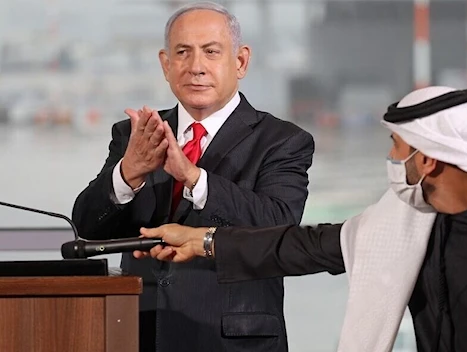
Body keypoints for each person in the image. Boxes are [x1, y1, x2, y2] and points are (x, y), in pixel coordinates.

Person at [136, 86, 467, 352]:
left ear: (429, 160)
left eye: (398, 149)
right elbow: (308, 245)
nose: (391, 158)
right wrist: (204, 241)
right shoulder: (412, 219)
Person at [72, 2, 315, 351]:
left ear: (241, 61)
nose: (196, 67)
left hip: (234, 340)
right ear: (165, 64)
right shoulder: (136, 135)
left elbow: (277, 228)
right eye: (182, 53)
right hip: (141, 334)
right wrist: (129, 173)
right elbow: (86, 229)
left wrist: (194, 178)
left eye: (211, 52)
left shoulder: (283, 140)